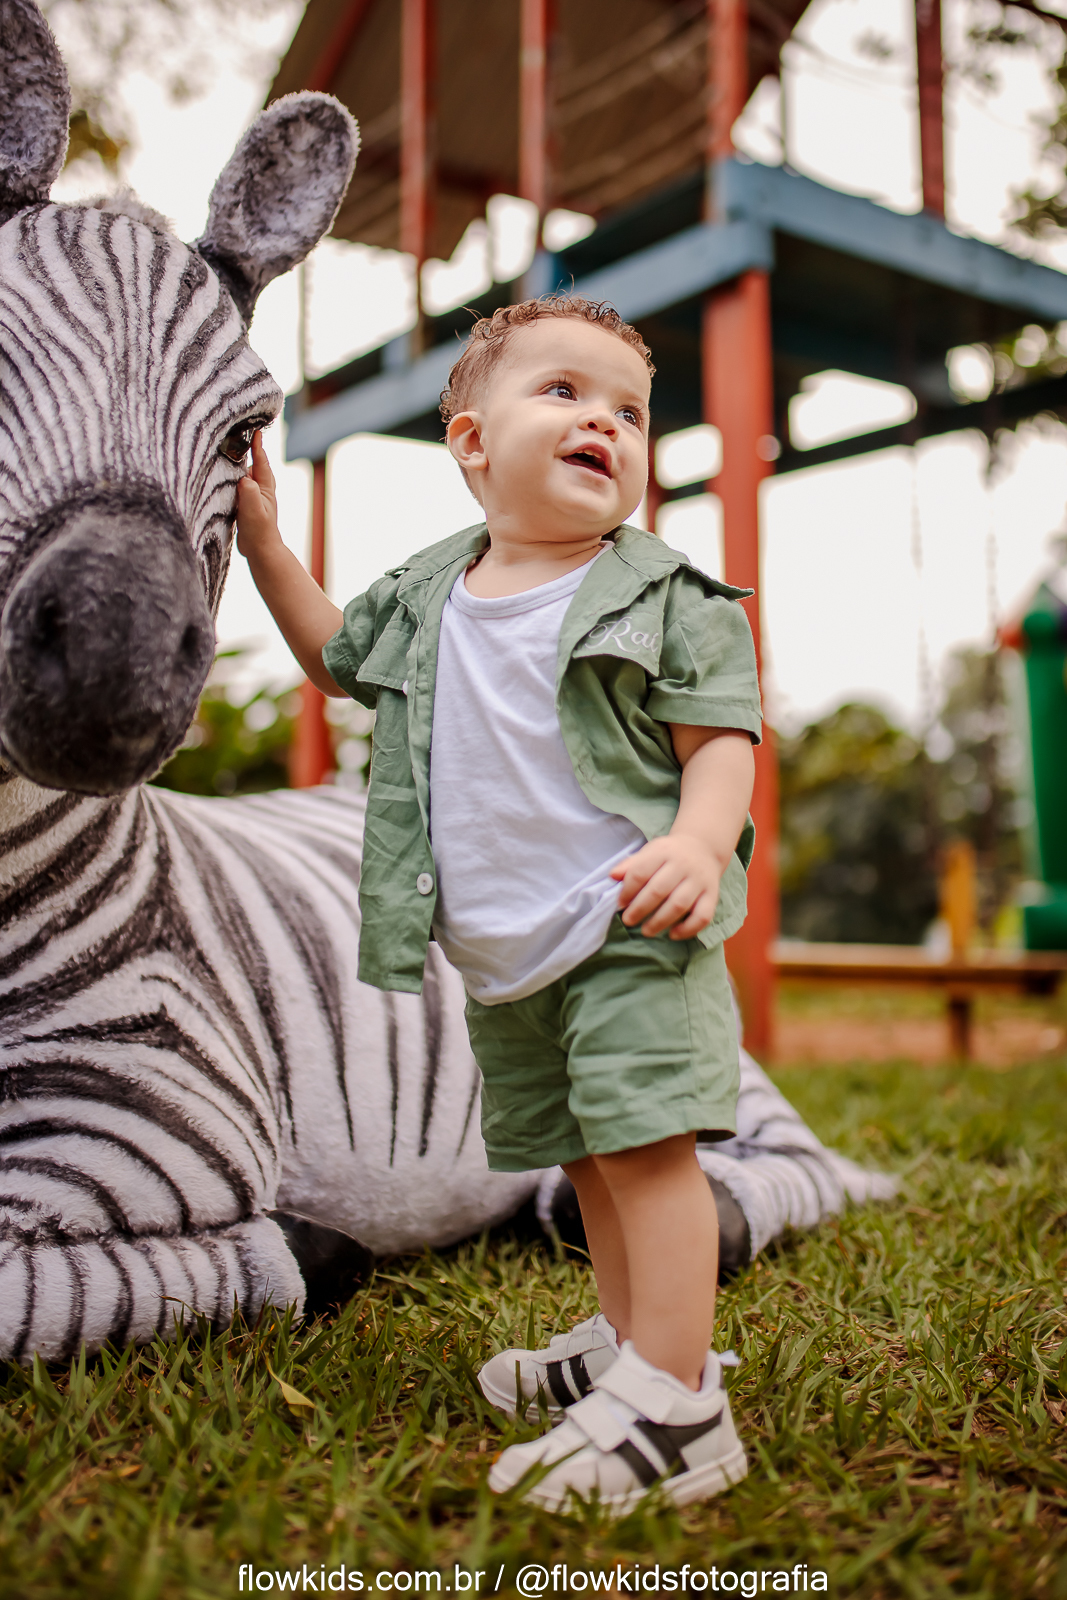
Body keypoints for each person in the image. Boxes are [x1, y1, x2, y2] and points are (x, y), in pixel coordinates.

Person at [235, 296, 762, 1514]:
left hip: (629, 923)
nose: (604, 423)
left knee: (645, 1150)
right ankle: (631, 1347)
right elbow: (334, 657)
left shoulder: (668, 596)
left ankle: (678, 1407)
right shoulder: (429, 594)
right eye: (564, 392)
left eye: (629, 410)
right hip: (506, 958)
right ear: (471, 442)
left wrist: (695, 841)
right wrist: (263, 545)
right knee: (587, 1155)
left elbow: (720, 741)